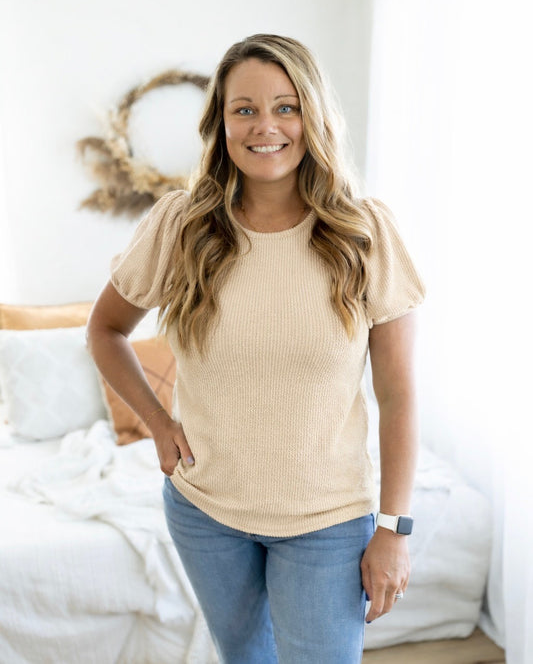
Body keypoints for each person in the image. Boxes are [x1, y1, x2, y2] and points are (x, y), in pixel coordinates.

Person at [87, 33, 425, 664]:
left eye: (285, 107)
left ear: (312, 116)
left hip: (328, 522)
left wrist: (393, 528)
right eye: (244, 109)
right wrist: (158, 423)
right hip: (204, 511)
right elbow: (105, 330)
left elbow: (398, 394)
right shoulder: (180, 225)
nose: (265, 126)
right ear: (221, 123)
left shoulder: (365, 231)